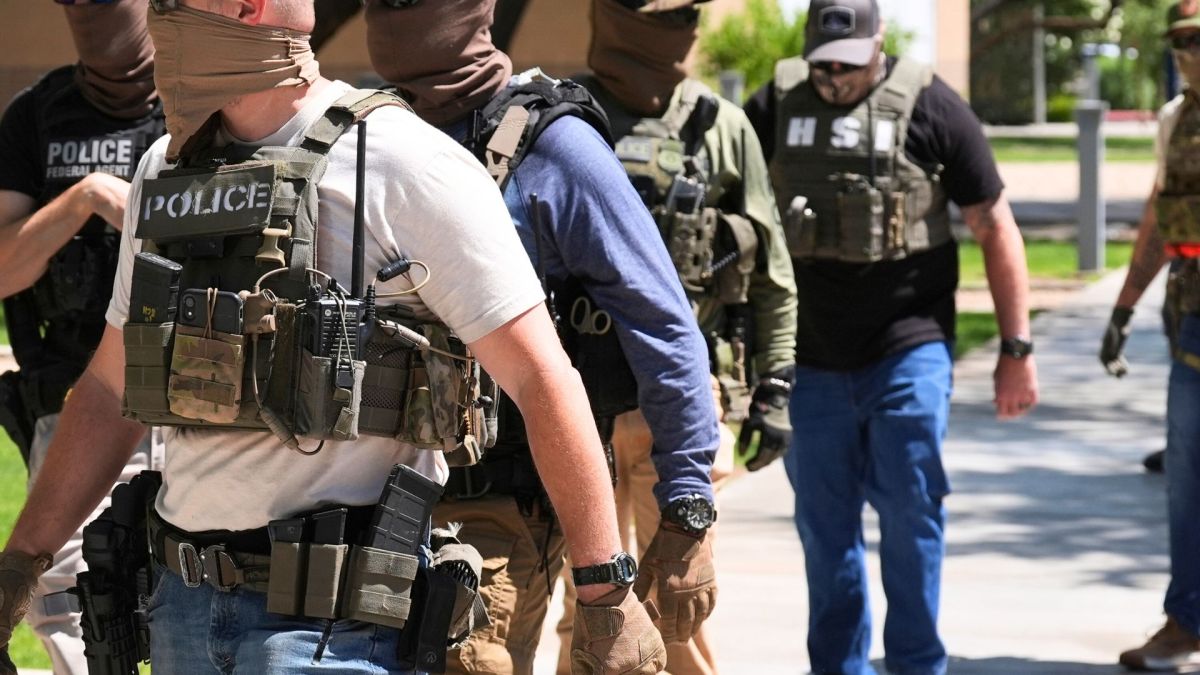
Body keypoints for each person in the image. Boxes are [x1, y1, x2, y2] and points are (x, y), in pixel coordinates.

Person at [0, 1, 662, 673]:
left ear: (248, 7)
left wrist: (604, 591)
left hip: (335, 632)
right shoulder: (164, 169)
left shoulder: (403, 160)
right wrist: (18, 567)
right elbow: (108, 387)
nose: (157, 13)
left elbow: (541, 376)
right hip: (181, 611)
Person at [364, 1, 721, 673]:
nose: (391, 14)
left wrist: (687, 507)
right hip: (366, 496)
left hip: (494, 504)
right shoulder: (369, 133)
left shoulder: (553, 146)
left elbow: (663, 323)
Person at [743, 1, 1039, 672]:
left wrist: (1015, 347)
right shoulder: (778, 103)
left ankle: (916, 662)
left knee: (911, 509)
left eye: (849, 66)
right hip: (809, 356)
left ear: (879, 44)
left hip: (908, 346)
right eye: (823, 66)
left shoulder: (932, 105)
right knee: (826, 529)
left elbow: (995, 224)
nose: (835, 80)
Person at [557, 1, 798, 673]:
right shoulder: (562, 117)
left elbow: (772, 269)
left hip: (684, 401)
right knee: (585, 603)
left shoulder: (720, 126)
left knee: (678, 607)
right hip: (578, 404)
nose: (676, 28)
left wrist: (776, 385)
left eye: (684, 13)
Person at [0, 1, 164, 672]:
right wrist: (86, 197)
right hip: (73, 399)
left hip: (187, 396)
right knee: (68, 599)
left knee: (193, 592)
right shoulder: (37, 115)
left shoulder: (199, 105)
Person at [1112, 1, 1200, 670]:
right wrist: (1123, 308)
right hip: (1192, 320)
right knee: (1186, 477)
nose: (1188, 53)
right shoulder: (1175, 120)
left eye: (1198, 39)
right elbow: (1158, 216)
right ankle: (1187, 619)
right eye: (1180, 42)